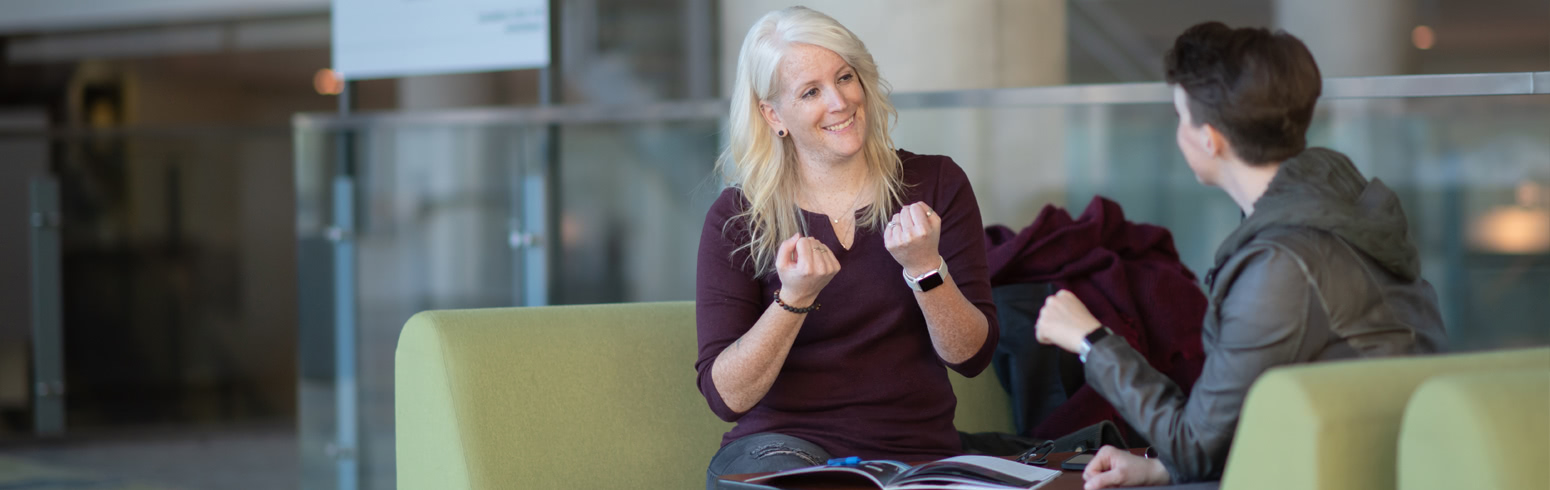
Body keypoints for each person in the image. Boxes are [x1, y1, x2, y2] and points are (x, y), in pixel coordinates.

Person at [1034, 22, 1447, 489]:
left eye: (1180, 118)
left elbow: (1194, 442)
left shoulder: (1284, 263)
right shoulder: (1332, 212)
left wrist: (1091, 340)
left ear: (1210, 139)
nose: (1179, 134)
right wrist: (1161, 468)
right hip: (1362, 465)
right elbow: (1227, 426)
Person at [695, 6, 999, 488]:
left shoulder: (935, 182)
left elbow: (971, 357)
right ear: (773, 114)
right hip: (782, 448)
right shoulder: (738, 218)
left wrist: (926, 269)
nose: (839, 102)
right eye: (811, 91)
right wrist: (793, 300)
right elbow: (726, 396)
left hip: (915, 452)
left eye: (845, 77)